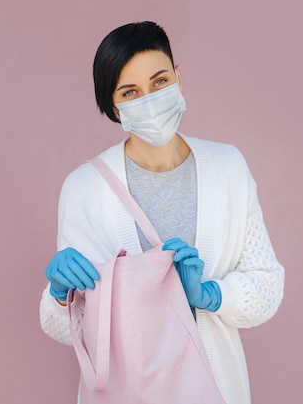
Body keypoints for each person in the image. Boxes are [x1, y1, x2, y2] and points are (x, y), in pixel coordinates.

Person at [39, 21, 285, 404]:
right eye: (130, 92)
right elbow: (65, 328)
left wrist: (209, 295)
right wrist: (59, 296)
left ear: (178, 77)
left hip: (216, 388)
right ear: (114, 108)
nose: (150, 99)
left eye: (159, 82)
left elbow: (267, 287)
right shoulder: (84, 189)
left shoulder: (228, 168)